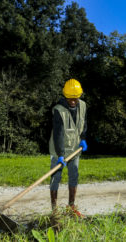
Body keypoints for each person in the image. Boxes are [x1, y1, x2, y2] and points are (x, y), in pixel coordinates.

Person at [49, 79, 88, 217]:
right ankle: (54, 211)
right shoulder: (58, 110)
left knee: (74, 177)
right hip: (58, 149)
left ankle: (71, 207)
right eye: (70, 98)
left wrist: (83, 139)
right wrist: (60, 155)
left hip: (75, 149)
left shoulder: (82, 105)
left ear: (79, 96)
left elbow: (84, 124)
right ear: (65, 95)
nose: (73, 101)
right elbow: (58, 134)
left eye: (75, 98)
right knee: (55, 177)